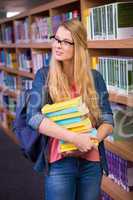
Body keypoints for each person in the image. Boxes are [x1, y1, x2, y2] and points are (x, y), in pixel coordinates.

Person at [26, 19, 114, 200]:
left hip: (91, 163)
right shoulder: (44, 76)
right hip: (60, 162)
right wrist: (74, 139)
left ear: (79, 47)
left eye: (65, 42)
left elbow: (108, 119)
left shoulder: (95, 78)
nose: (58, 45)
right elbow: (33, 117)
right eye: (56, 39)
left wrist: (90, 141)